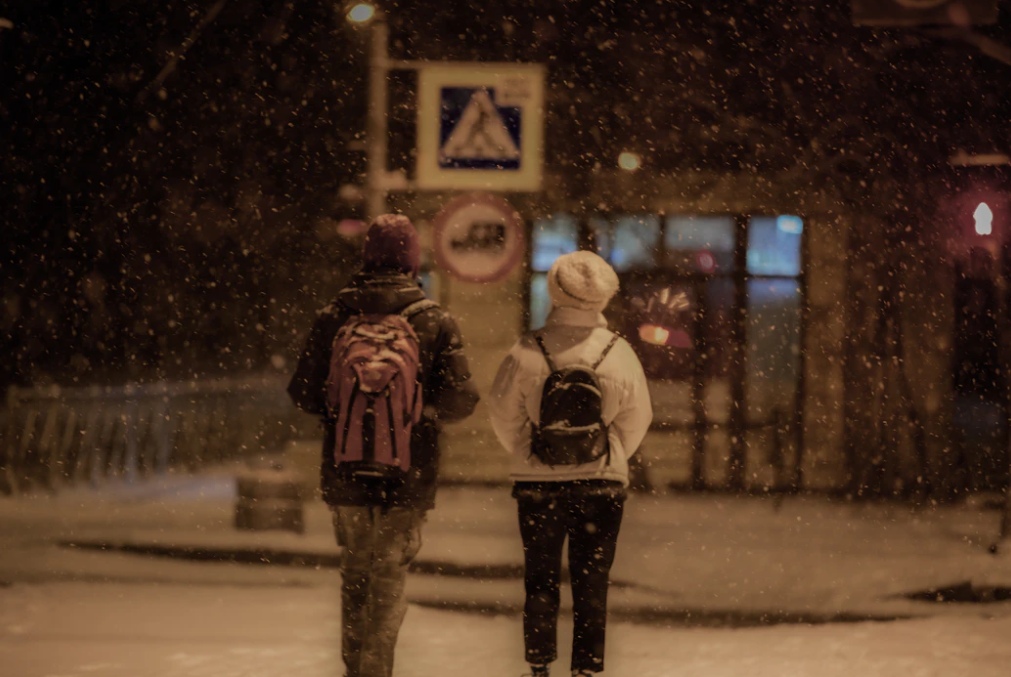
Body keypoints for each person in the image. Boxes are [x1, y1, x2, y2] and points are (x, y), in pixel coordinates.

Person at [287, 213, 480, 677]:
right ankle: (377, 669)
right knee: (389, 575)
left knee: (356, 572)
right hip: (409, 470)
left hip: (346, 466)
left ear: (367, 257)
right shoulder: (434, 320)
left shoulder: (335, 316)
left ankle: (356, 669)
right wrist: (418, 414)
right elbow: (461, 400)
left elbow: (303, 393)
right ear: (412, 260)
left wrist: (347, 412)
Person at [489, 250, 652, 677]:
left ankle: (539, 664)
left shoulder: (527, 350)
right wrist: (605, 453)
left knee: (540, 579)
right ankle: (586, 668)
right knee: (592, 581)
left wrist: (534, 451)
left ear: (554, 292)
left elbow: (503, 414)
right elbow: (637, 420)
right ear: (603, 296)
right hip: (601, 485)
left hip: (538, 486)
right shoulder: (620, 353)